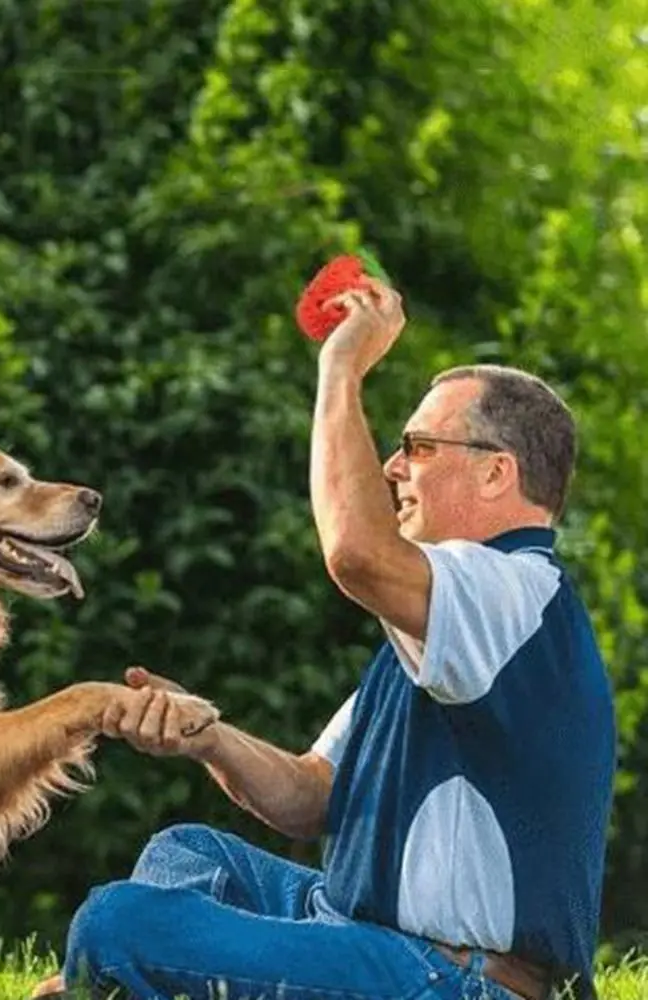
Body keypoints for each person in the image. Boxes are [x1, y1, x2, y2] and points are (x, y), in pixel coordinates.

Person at [32, 280, 616, 1000]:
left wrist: (340, 368)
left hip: (450, 980)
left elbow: (355, 554)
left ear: (498, 472)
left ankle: (116, 979)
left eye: (418, 447)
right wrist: (207, 734)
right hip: (362, 937)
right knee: (188, 851)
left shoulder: (513, 589)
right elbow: (312, 798)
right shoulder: (444, 627)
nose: (394, 467)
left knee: (116, 922)